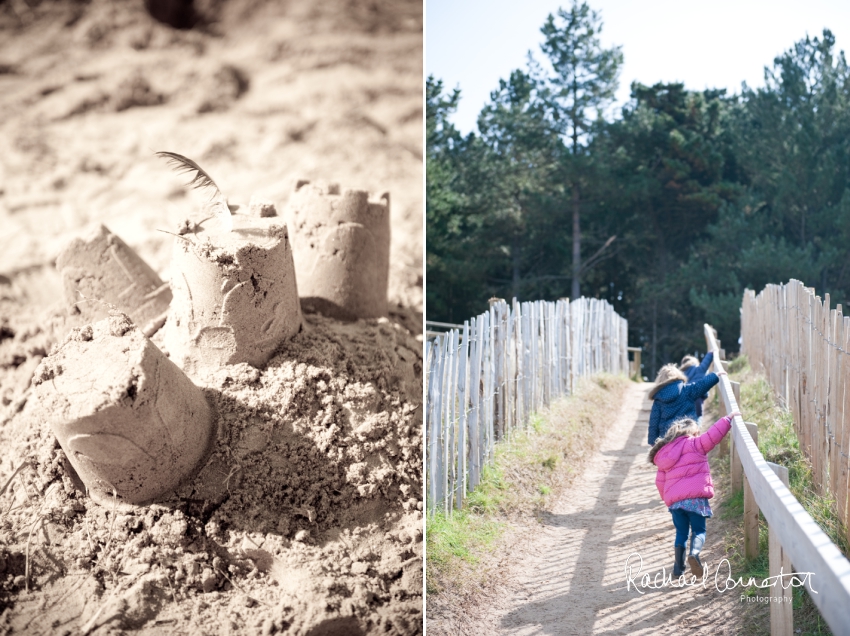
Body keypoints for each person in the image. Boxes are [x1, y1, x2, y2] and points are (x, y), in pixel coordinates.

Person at [649, 412, 740, 577]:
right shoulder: (695, 444)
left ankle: (678, 567)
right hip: (696, 500)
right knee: (699, 531)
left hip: (676, 504)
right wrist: (727, 419)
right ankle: (694, 553)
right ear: (693, 432)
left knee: (681, 533)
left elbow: (659, 482)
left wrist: (669, 501)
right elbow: (713, 435)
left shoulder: (664, 454)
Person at [647, 363, 724, 445]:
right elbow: (701, 385)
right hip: (687, 434)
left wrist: (653, 443)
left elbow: (654, 423)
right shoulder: (687, 390)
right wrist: (715, 376)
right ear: (678, 376)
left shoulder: (658, 400)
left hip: (667, 439)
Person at [679, 351, 714, 417]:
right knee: (698, 418)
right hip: (698, 398)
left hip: (685, 400)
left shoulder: (680, 374)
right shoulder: (699, 369)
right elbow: (706, 362)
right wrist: (711, 353)